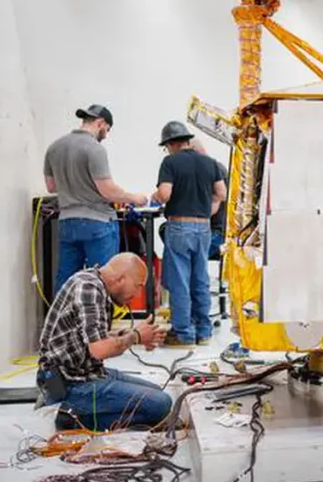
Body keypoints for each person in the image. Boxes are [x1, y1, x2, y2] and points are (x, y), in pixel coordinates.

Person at [37, 253, 170, 431]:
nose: (138, 293)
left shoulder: (95, 285)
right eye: (137, 286)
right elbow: (99, 349)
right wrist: (135, 336)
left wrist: (132, 334)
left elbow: (93, 335)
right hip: (68, 384)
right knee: (160, 404)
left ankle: (79, 412)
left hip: (87, 372)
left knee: (157, 393)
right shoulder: (88, 288)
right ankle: (70, 418)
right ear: (121, 278)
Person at [44, 105, 148, 295]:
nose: (106, 135)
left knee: (67, 278)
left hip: (67, 221)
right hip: (97, 223)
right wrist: (134, 198)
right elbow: (107, 190)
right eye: (107, 130)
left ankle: (65, 322)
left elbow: (51, 187)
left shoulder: (54, 147)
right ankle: (99, 322)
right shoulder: (94, 149)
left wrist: (74, 184)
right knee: (104, 279)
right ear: (100, 123)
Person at [152, 122, 225, 347]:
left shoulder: (170, 162)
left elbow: (165, 193)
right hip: (203, 228)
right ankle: (204, 332)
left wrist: (155, 197)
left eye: (167, 146)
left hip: (180, 226)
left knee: (179, 281)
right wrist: (209, 208)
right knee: (200, 279)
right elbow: (221, 193)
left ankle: (183, 334)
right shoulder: (210, 162)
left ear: (172, 144)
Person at [190, 138, 229, 260]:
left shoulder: (212, 170)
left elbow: (211, 209)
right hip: (211, 230)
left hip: (217, 234)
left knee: (185, 254)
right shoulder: (210, 168)